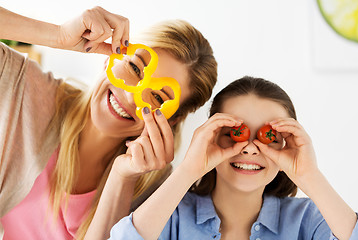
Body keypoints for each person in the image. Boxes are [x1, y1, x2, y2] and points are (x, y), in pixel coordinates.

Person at [0, 6, 217, 239]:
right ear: (111, 58)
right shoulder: (27, 93)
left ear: (172, 119)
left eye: (156, 97)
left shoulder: (156, 190)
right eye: (134, 68)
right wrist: (59, 36)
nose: (132, 95)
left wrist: (122, 176)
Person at [110, 76, 358, 240]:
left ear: (288, 145)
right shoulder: (169, 215)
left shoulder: (308, 221)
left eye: (268, 136)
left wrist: (310, 176)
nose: (250, 149)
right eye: (233, 134)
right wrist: (188, 170)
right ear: (209, 139)